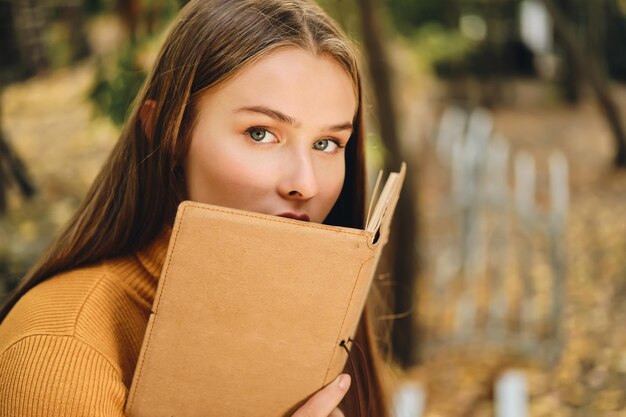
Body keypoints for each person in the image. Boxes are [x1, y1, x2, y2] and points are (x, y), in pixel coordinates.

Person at [0, 1, 390, 416]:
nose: (304, 184)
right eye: (260, 133)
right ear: (167, 135)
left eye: (327, 144)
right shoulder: (60, 346)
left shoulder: (320, 324)